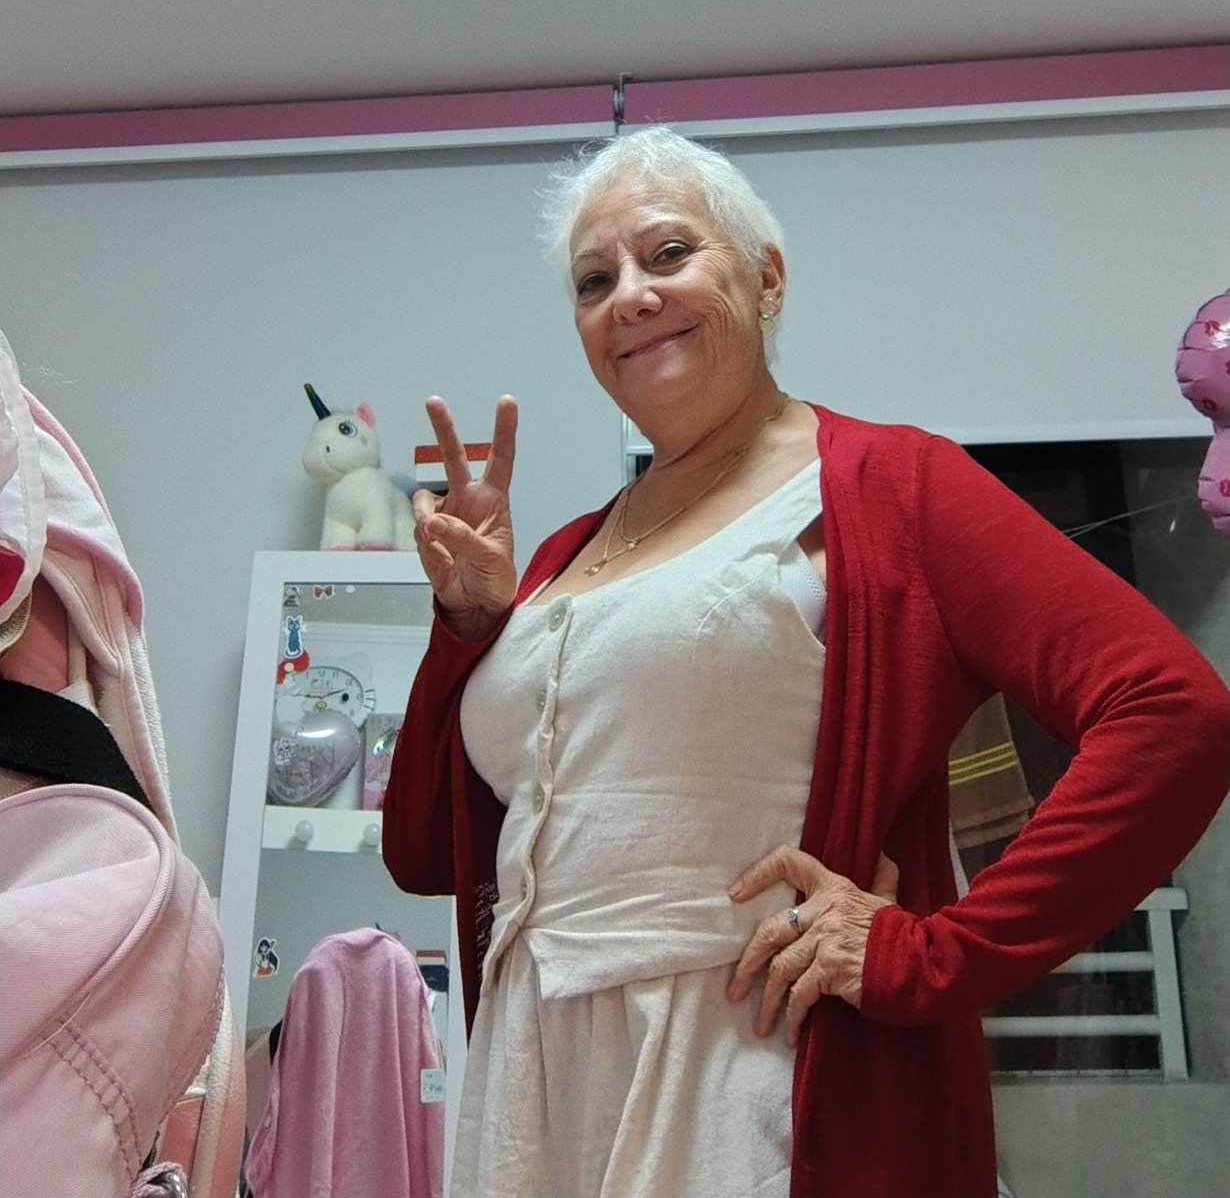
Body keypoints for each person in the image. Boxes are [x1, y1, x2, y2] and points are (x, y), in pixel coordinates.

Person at [383, 126, 1230, 1198]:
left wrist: (941, 951)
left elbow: (1172, 713)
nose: (630, 296)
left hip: (745, 1083)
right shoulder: (561, 555)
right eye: (594, 281)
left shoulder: (893, 486)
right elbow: (424, 850)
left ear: (767, 278)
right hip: (530, 1087)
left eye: (668, 253)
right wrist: (466, 627)